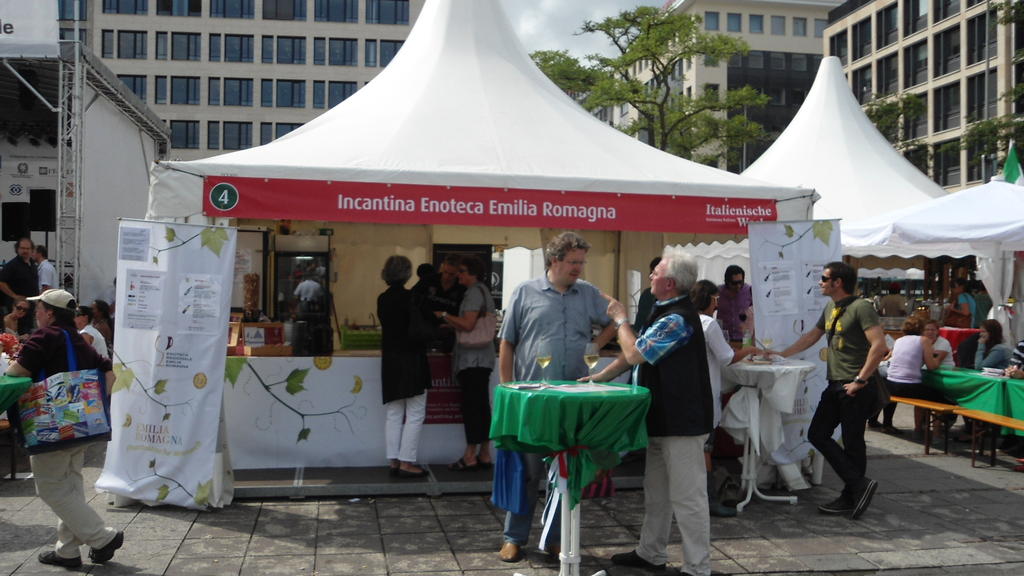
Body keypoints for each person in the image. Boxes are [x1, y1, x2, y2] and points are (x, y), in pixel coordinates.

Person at [590, 247, 713, 576]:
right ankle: (651, 552)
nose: (650, 276)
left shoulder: (677, 318)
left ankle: (697, 568)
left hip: (682, 422)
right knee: (656, 493)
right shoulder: (665, 311)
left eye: (655, 273)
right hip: (662, 418)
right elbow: (639, 350)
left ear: (669, 283)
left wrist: (620, 318)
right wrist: (600, 376)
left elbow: (635, 353)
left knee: (688, 498)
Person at [496, 231, 615, 563]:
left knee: (565, 472)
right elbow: (507, 342)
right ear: (554, 260)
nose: (578, 268)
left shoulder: (587, 293)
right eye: (573, 262)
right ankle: (513, 537)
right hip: (534, 398)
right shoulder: (525, 291)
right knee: (527, 472)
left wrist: (596, 344)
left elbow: (616, 319)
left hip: (573, 398)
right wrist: (507, 389)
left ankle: (554, 539)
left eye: (581, 262)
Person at [4, 289, 123, 568]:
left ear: (50, 313)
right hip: (80, 427)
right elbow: (108, 369)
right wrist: (100, 402)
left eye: (39, 309)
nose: (36, 313)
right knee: (70, 487)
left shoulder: (45, 337)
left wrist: (9, 366)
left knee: (50, 488)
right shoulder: (77, 338)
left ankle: (102, 536)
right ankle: (68, 551)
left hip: (50, 429)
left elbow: (18, 372)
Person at [777, 261, 887, 520]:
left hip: (856, 385)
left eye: (825, 279)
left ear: (838, 282)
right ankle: (858, 485)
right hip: (836, 383)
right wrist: (779, 355)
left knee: (853, 442)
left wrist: (860, 380)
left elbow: (879, 345)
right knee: (817, 433)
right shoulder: (830, 307)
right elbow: (811, 337)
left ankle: (851, 495)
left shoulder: (861, 307)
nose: (820, 282)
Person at [690, 279, 756, 518]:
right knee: (705, 448)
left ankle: (695, 498)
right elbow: (727, 357)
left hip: (688, 393)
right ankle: (708, 500)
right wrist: (749, 350)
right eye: (716, 300)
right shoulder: (708, 324)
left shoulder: (684, 320)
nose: (717, 305)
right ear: (709, 299)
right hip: (706, 394)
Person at [436, 256, 495, 471]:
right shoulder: (483, 291)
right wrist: (453, 325)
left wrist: (444, 315)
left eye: (461, 271)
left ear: (473, 274)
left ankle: (470, 455)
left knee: (472, 407)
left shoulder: (472, 293)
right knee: (481, 406)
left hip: (472, 359)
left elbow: (468, 325)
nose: (458, 275)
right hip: (483, 358)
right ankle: (485, 453)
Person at [377, 255, 432, 478]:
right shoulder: (413, 298)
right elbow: (424, 327)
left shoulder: (382, 299)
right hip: (412, 358)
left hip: (390, 359)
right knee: (415, 412)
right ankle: (407, 462)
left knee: (394, 412)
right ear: (408, 274)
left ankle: (393, 460)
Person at [878, 317, 942, 435]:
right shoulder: (924, 341)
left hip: (890, 385)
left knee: (893, 393)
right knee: (942, 396)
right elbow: (931, 366)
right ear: (922, 328)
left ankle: (887, 424)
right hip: (909, 387)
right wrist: (937, 359)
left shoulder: (899, 340)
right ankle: (936, 432)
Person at [0, 237, 40, 334]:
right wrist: (14, 295)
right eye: (22, 248)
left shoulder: (32, 264)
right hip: (17, 307)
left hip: (30, 306)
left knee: (28, 331)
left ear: (32, 250)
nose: (25, 251)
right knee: (18, 332)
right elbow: (1, 282)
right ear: (17, 249)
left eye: (27, 248)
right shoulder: (12, 265)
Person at [431, 255, 467, 352]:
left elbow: (465, 317)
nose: (446, 277)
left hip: (453, 334)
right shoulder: (429, 281)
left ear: (458, 274)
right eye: (445, 272)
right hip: (428, 331)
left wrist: (452, 326)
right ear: (441, 268)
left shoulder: (462, 288)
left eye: (451, 274)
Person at [717, 264, 752, 342]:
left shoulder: (749, 291)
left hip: (745, 338)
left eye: (740, 282)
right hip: (724, 338)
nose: (738, 286)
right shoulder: (718, 292)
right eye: (734, 283)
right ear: (727, 281)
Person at [633, 257, 661, 331]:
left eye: (655, 274)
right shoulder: (647, 295)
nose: (651, 276)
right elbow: (639, 324)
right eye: (651, 273)